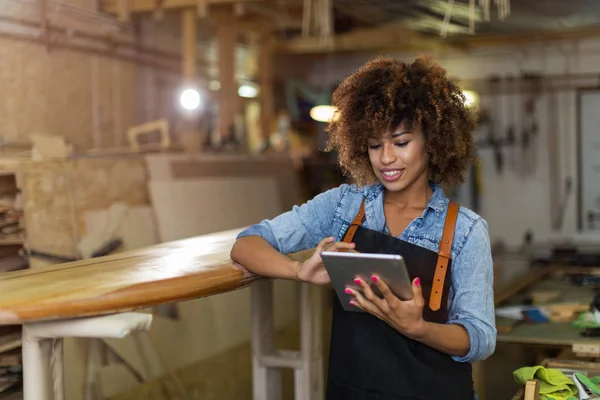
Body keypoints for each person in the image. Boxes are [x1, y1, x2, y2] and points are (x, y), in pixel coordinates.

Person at [230, 54, 496, 400]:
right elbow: (247, 243)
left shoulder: (465, 230)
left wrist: (419, 329)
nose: (385, 158)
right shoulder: (343, 206)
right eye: (374, 145)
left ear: (433, 141)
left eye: (401, 143)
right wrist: (298, 271)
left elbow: (480, 337)